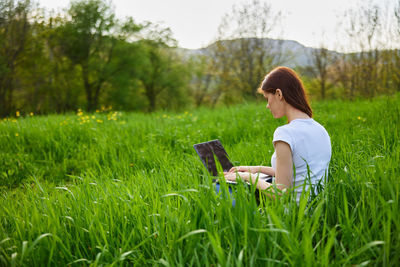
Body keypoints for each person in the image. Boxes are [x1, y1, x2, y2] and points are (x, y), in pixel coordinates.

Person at [224, 66, 331, 201]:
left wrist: (247, 177)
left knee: (222, 189)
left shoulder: (285, 133)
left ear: (279, 94)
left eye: (267, 98)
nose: (267, 106)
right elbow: (299, 172)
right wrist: (256, 169)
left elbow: (280, 194)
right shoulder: (321, 130)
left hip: (290, 214)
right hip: (317, 210)